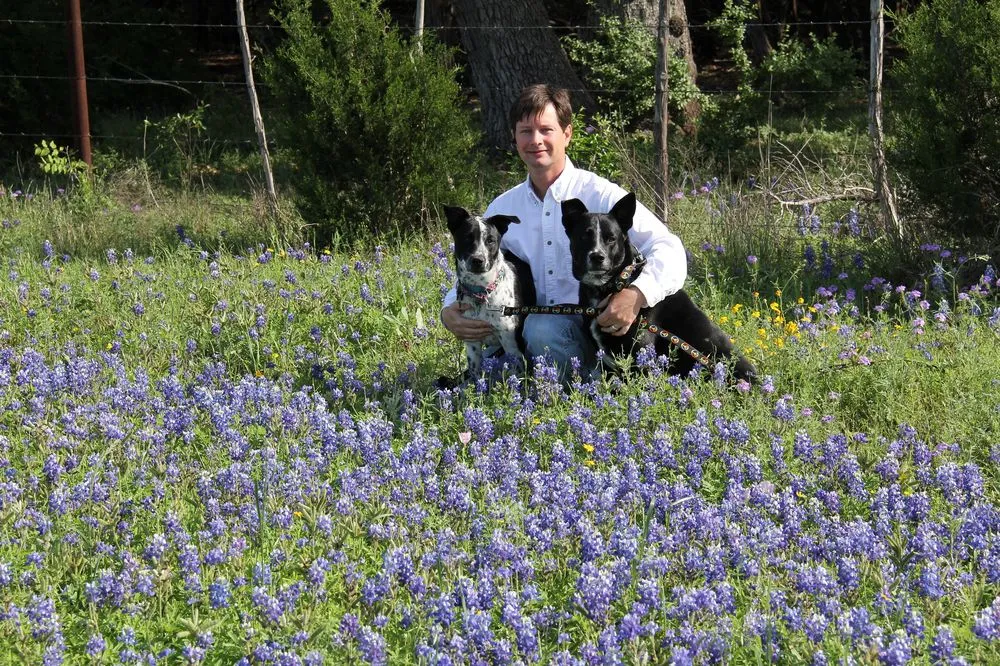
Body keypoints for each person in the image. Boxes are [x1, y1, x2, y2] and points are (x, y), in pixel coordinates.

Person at [440, 84, 688, 383]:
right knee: (537, 329)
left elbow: (668, 247)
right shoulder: (504, 206)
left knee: (542, 328)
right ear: (514, 137)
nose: (536, 140)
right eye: (525, 131)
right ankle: (546, 385)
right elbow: (482, 266)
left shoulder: (599, 194)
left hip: (602, 328)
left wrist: (636, 294)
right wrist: (449, 310)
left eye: (546, 130)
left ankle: (580, 390)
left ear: (567, 134)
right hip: (523, 333)